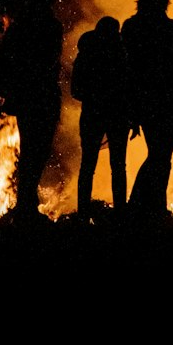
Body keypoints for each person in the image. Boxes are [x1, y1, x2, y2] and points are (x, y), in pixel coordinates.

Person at [0, 0, 64, 222]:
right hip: (41, 95)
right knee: (37, 151)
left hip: (25, 96)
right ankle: (25, 207)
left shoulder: (20, 26)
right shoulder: (50, 25)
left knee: (32, 149)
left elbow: (5, 59)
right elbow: (49, 60)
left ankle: (25, 204)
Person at [121, 0, 173, 223]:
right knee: (161, 155)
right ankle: (146, 207)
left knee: (160, 154)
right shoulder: (166, 27)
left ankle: (147, 206)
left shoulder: (132, 27)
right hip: (164, 100)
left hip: (150, 100)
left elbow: (128, 67)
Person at [71, 17, 131, 223]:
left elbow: (76, 91)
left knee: (88, 165)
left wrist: (94, 96)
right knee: (118, 166)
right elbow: (128, 88)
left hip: (93, 115)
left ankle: (83, 214)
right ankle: (120, 213)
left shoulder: (86, 56)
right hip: (117, 116)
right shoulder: (122, 56)